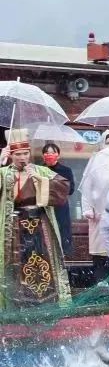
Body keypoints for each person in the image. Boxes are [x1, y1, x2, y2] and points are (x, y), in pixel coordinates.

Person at [0, 129, 72, 309]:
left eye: (25, 153)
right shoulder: (4, 172)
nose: (22, 157)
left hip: (40, 225)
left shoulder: (40, 170)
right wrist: (0, 161)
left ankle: (47, 301)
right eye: (18, 154)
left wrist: (41, 180)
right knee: (15, 264)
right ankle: (15, 303)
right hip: (14, 226)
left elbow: (64, 188)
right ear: (12, 155)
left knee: (42, 262)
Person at [81, 130, 109, 282]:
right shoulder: (95, 161)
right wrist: (87, 208)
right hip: (99, 213)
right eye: (107, 143)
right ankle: (101, 286)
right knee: (100, 251)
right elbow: (86, 187)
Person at [39, 143, 75, 257]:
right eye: (47, 153)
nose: (50, 155)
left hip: (61, 207)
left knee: (63, 232)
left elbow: (71, 189)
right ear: (43, 155)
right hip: (44, 208)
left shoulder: (66, 170)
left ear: (58, 155)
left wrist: (54, 184)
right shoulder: (39, 170)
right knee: (46, 235)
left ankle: (64, 256)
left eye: (53, 152)